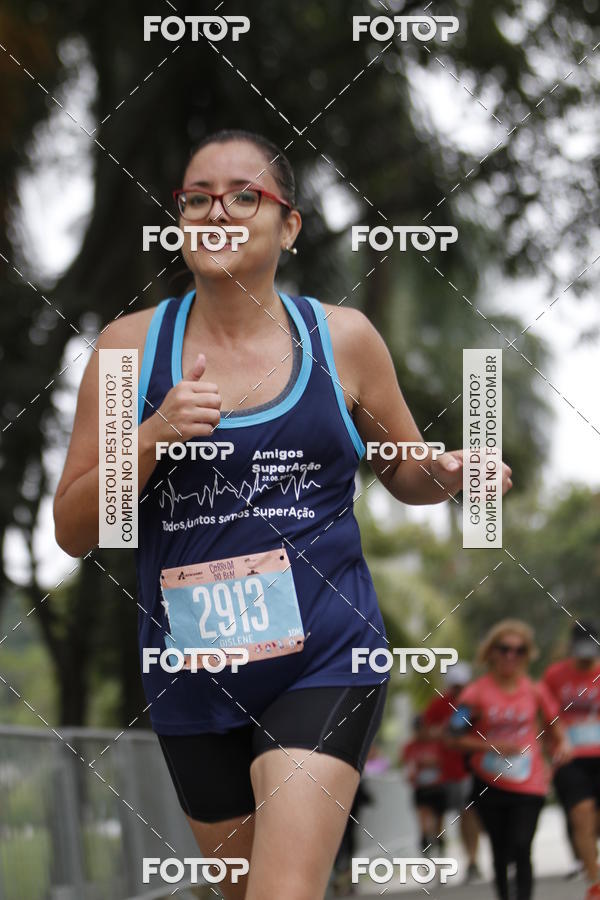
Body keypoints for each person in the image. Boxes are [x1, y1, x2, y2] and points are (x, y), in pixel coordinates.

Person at [53, 129, 512, 900]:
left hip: (325, 658)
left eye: (243, 196)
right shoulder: (126, 351)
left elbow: (402, 469)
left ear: (288, 224)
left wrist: (451, 474)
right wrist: (156, 433)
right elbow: (73, 530)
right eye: (195, 198)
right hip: (189, 675)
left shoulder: (345, 340)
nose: (215, 213)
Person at [448, 620, 570, 900]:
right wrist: (492, 745)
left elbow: (555, 724)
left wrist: (562, 742)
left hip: (530, 783)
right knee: (501, 850)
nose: (510, 656)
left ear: (527, 655)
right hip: (490, 781)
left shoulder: (535, 690)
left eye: (519, 650)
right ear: (491, 652)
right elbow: (453, 736)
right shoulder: (476, 692)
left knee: (521, 845)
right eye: (504, 649)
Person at [543, 621, 600, 899]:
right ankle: (595, 883)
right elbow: (543, 715)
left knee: (593, 822)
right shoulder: (555, 676)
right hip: (570, 760)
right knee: (581, 815)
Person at [423, 661, 482, 880]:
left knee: (469, 814)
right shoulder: (440, 704)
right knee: (439, 817)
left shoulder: (477, 702)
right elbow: (428, 732)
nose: (459, 691)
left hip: (472, 768)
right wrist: (448, 729)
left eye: (462, 686)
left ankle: (473, 861)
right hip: (446, 771)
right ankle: (439, 862)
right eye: (455, 686)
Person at [402, 714, 449, 857]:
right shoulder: (410, 747)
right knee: (423, 819)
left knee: (439, 820)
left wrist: (431, 762)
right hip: (421, 788)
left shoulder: (438, 744)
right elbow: (408, 767)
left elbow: (446, 762)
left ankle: (439, 844)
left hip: (438, 786)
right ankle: (425, 844)